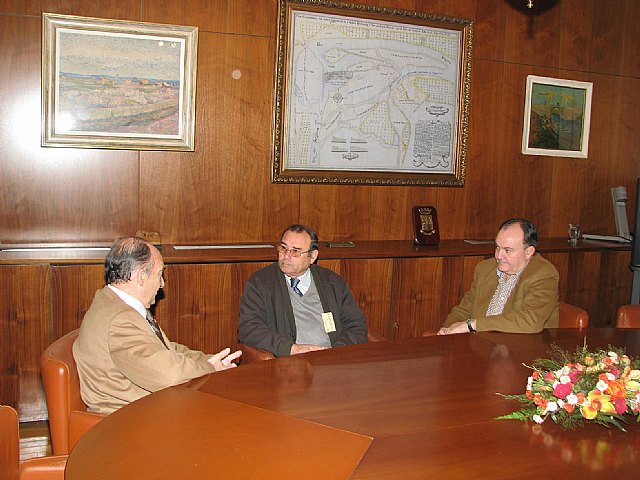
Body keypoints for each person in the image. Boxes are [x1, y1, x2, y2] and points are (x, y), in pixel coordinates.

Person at [73, 236, 241, 414]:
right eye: (160, 274)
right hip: (130, 421)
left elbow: (166, 350)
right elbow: (169, 374)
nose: (162, 284)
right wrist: (209, 369)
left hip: (145, 408)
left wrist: (209, 361)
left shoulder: (115, 304)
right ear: (139, 277)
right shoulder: (120, 320)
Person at [238, 224, 368, 356]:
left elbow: (356, 326)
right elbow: (248, 328)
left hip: (333, 360)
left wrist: (335, 352)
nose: (286, 256)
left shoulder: (332, 282)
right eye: (283, 248)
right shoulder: (261, 282)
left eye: (295, 251)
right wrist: (290, 349)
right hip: (289, 362)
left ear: (312, 256)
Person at [438, 218, 559, 335]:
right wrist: (447, 330)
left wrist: (472, 325)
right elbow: (464, 309)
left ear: (528, 252)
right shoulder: (484, 268)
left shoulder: (543, 273)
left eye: (507, 250)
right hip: (481, 345)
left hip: (521, 349)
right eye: (497, 247)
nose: (499, 255)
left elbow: (531, 320)